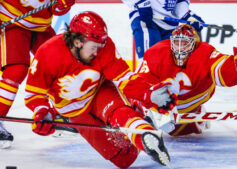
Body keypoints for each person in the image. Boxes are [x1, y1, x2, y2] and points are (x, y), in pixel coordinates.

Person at [24, 11, 171, 168]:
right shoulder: (48, 53)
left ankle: (144, 132)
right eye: (93, 47)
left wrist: (147, 93)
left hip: (100, 91)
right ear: (77, 42)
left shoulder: (104, 47)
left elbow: (124, 77)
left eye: (100, 47)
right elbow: (34, 94)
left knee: (118, 113)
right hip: (75, 113)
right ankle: (138, 121)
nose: (97, 52)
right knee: (124, 159)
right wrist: (42, 112)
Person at [119, 24, 237, 136]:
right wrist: (144, 104)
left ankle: (197, 113)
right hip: (165, 100)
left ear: (194, 44)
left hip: (195, 96)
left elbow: (222, 68)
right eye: (177, 43)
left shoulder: (204, 52)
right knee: (167, 127)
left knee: (187, 130)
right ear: (171, 43)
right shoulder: (156, 52)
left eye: (185, 44)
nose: (180, 48)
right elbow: (140, 82)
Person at [0, 0, 76, 148]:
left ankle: (60, 113)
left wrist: (63, 4)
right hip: (11, 21)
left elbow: (56, 9)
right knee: (16, 71)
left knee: (59, 66)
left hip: (42, 27)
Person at [122, 0, 205, 63]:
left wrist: (186, 15)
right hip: (146, 17)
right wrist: (141, 2)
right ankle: (145, 85)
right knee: (149, 61)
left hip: (169, 25)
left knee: (167, 64)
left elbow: (180, 2)